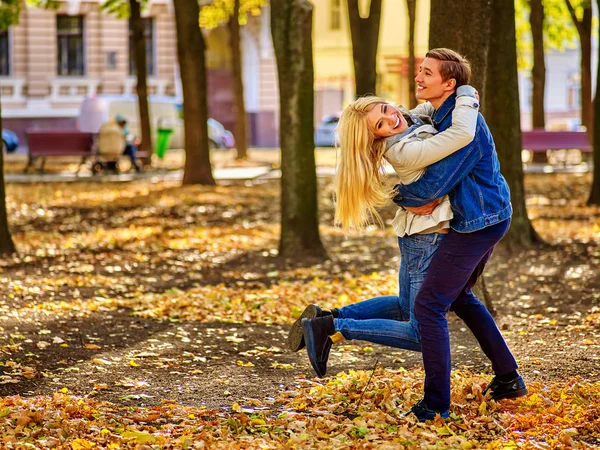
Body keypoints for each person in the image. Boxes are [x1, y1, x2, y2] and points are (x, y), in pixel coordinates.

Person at [294, 48, 528, 422]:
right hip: (441, 230)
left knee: (427, 310)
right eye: (381, 123)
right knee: (439, 308)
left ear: (447, 83)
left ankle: (334, 324)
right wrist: (405, 196)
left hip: (465, 224)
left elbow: (430, 167)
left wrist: (402, 195)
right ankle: (498, 380)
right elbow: (432, 182)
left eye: (426, 73)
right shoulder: (432, 128)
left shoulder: (443, 118)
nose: (393, 116)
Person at [289, 83, 479, 374]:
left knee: (405, 307)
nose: (391, 118)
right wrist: (466, 93)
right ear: (377, 136)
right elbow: (461, 135)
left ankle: (328, 317)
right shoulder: (403, 148)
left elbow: (426, 109)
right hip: (426, 236)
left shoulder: (403, 120)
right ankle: (333, 327)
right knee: (421, 333)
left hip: (417, 234)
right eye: (381, 123)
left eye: (386, 109)